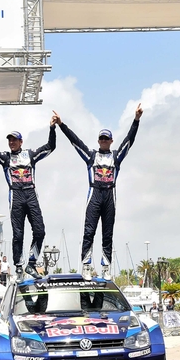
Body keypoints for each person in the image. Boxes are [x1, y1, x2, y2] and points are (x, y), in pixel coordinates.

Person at [52, 104, 143, 280]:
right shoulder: (91, 156)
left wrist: (136, 120)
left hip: (110, 195)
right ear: (98, 140)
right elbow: (75, 141)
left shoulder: (116, 156)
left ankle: (106, 266)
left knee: (107, 234)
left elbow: (129, 141)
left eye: (106, 139)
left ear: (111, 141)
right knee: (89, 231)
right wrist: (61, 124)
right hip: (94, 195)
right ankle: (86, 265)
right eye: (101, 138)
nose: (103, 141)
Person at [0, 119, 57, 281]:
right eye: (9, 140)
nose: (11, 142)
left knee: (40, 231)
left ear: (21, 142)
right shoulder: (5, 158)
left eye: (14, 140)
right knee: (18, 234)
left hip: (31, 194)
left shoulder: (30, 154)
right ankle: (19, 266)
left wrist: (52, 128)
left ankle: (31, 263)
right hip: (16, 196)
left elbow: (50, 146)